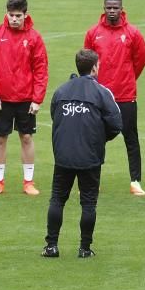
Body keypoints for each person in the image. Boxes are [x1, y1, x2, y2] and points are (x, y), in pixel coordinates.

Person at [42, 49, 123, 259]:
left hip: (63, 155)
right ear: (95, 67)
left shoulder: (61, 91)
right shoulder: (101, 92)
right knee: (88, 202)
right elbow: (116, 124)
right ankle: (85, 248)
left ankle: (51, 246)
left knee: (57, 199)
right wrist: (97, 138)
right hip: (90, 156)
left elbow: (55, 116)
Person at [0, 0, 49, 196]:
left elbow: (41, 69)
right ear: (6, 13)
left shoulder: (34, 38)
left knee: (26, 137)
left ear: (25, 15)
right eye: (11, 15)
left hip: (26, 98)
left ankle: (28, 182)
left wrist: (37, 99)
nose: (14, 19)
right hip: (1, 99)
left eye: (18, 15)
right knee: (0, 138)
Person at [83, 0, 145, 196]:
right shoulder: (93, 33)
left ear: (122, 9)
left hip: (125, 94)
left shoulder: (132, 33)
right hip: (99, 96)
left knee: (131, 138)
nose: (112, 11)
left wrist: (127, 78)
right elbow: (87, 61)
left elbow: (140, 59)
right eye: (108, 7)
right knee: (95, 139)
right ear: (104, 9)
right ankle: (93, 182)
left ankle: (135, 181)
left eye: (115, 7)